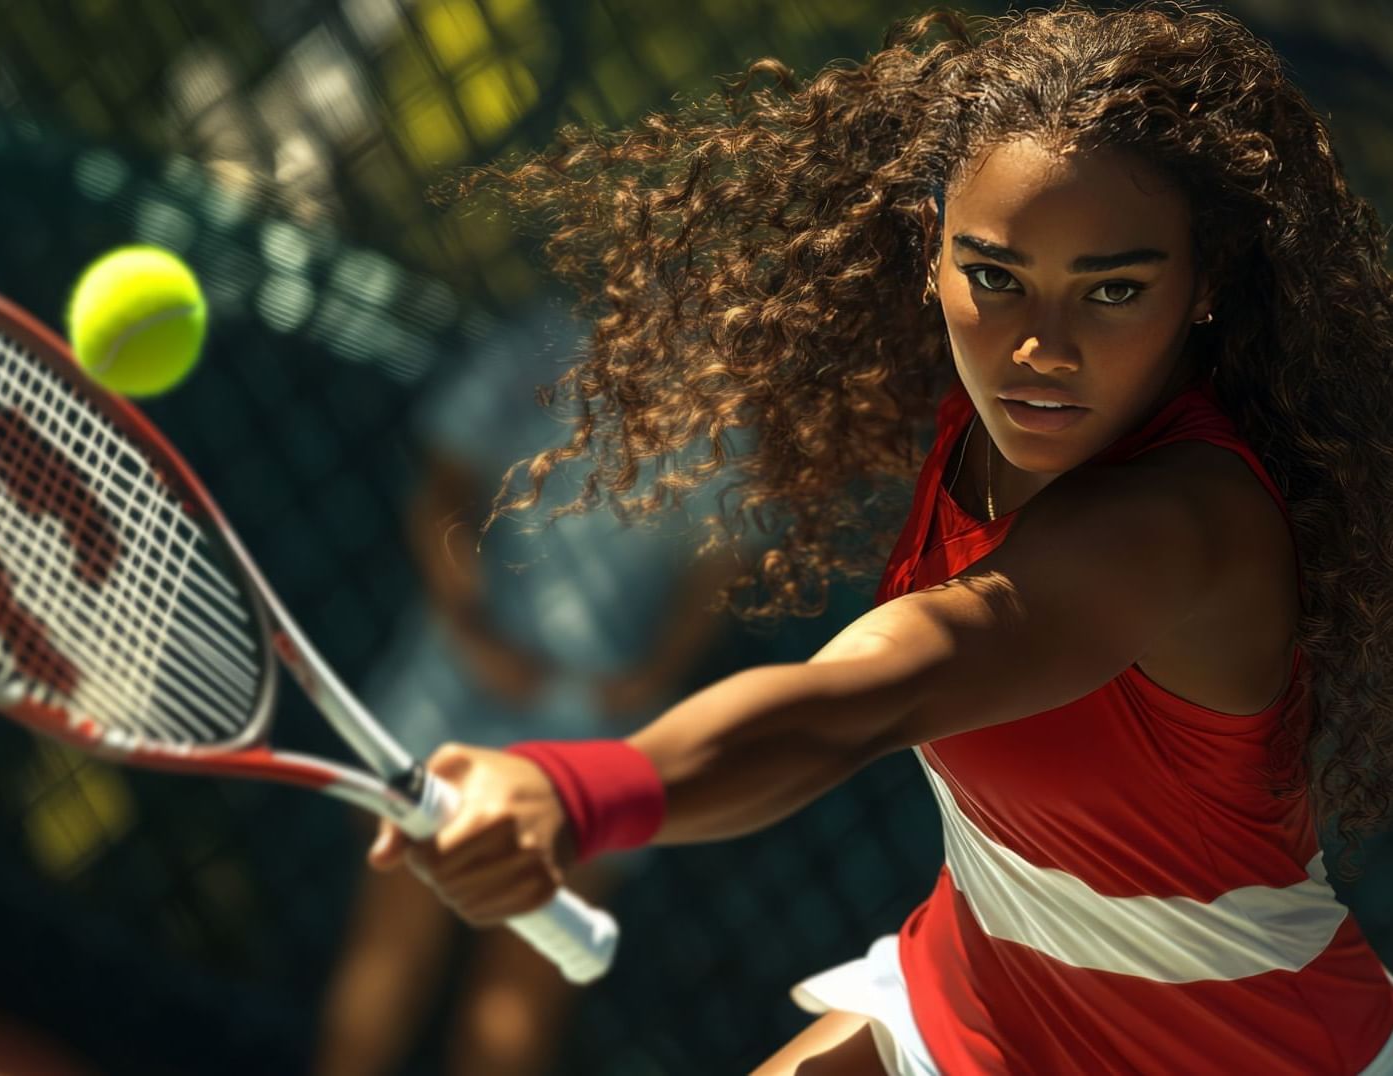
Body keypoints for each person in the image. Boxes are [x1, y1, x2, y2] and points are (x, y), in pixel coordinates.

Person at [369, 5, 1393, 1073]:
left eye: (1114, 291)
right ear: (932, 254)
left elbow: (872, 693)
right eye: (994, 275)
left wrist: (578, 793)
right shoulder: (981, 416)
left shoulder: (1181, 521)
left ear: (1206, 286)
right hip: (978, 991)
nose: (1040, 346)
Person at [314, 308, 740, 1076]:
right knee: (393, 942)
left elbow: (718, 570)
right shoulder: (531, 340)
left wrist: (647, 679)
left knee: (518, 996)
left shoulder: (732, 396)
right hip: (458, 689)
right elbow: (442, 487)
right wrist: (470, 622)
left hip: (599, 727)